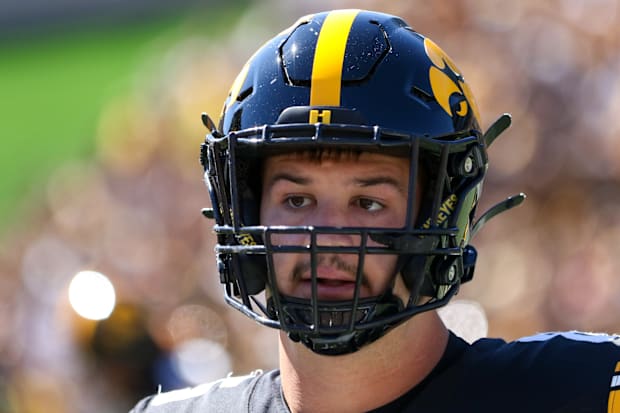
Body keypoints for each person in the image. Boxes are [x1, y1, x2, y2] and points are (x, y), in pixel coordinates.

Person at [131, 9, 620, 412]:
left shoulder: (581, 392)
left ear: (442, 211)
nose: (327, 234)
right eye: (297, 199)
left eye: (367, 202)